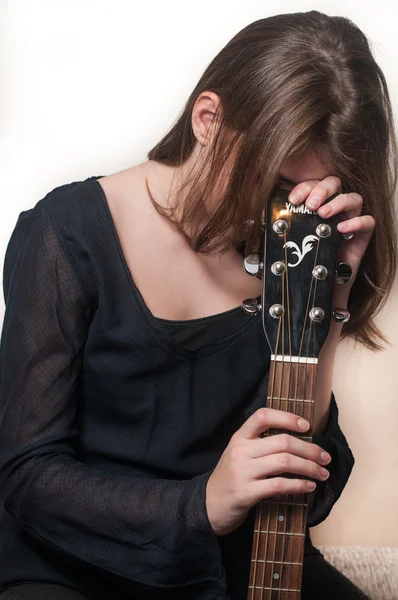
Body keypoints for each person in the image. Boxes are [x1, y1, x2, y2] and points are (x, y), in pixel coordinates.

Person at [0, 9, 396, 600]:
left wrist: (330, 291)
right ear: (208, 119)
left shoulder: (297, 240)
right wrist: (201, 503)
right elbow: (27, 476)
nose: (290, 210)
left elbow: (297, 463)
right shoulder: (67, 233)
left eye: (313, 192)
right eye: (276, 184)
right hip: (80, 564)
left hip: (235, 561)